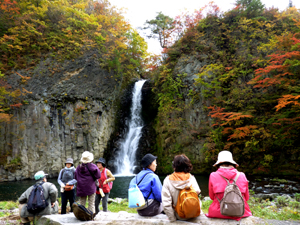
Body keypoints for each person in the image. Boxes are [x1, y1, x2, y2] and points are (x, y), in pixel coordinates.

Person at [205, 150, 252, 221]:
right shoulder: (242, 175)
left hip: (218, 212)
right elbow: (247, 198)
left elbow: (211, 197)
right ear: (232, 163)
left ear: (219, 163)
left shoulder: (213, 175)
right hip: (241, 212)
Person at [162, 154, 201, 222]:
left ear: (174, 166)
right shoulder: (191, 178)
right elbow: (197, 192)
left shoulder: (168, 180)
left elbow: (166, 204)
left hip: (179, 215)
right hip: (194, 214)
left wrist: (172, 219)